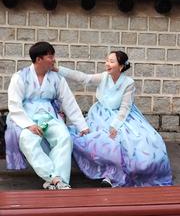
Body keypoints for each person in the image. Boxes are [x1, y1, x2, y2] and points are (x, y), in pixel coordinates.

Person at [56, 50, 173, 187]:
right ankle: (107, 171)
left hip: (122, 116)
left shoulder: (128, 83)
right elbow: (84, 78)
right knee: (97, 140)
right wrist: (59, 69)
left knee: (139, 141)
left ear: (121, 66)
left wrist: (115, 126)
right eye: (107, 60)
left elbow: (125, 108)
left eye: (112, 61)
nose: (107, 64)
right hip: (100, 114)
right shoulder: (104, 77)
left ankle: (115, 175)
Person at [5, 41, 89, 190]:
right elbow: (14, 104)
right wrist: (28, 124)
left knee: (64, 137)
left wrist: (82, 126)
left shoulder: (57, 78)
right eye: (50, 57)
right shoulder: (20, 77)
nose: (54, 60)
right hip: (26, 117)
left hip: (48, 115)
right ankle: (53, 177)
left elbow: (69, 102)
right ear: (39, 59)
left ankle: (59, 181)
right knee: (27, 139)